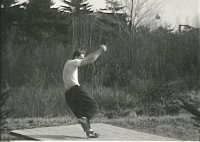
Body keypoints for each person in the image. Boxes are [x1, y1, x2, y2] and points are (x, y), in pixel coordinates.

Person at [62, 45, 107, 138]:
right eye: (80, 58)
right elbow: (89, 60)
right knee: (93, 107)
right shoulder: (72, 62)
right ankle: (85, 121)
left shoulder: (67, 64)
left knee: (82, 116)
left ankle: (89, 131)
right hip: (75, 91)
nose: (81, 60)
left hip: (68, 95)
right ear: (76, 57)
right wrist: (100, 51)